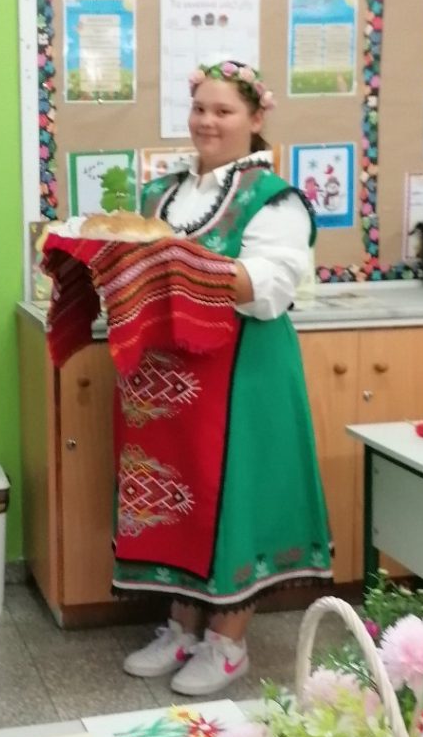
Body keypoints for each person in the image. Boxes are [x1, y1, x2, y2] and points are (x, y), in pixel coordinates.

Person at [116, 60, 331, 696]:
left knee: (236, 495)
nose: (207, 122)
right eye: (199, 109)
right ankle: (181, 628)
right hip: (167, 376)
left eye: (224, 111)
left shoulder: (275, 200)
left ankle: (228, 643)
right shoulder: (160, 194)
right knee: (176, 494)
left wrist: (173, 262)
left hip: (242, 372)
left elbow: (267, 290)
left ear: (256, 118)